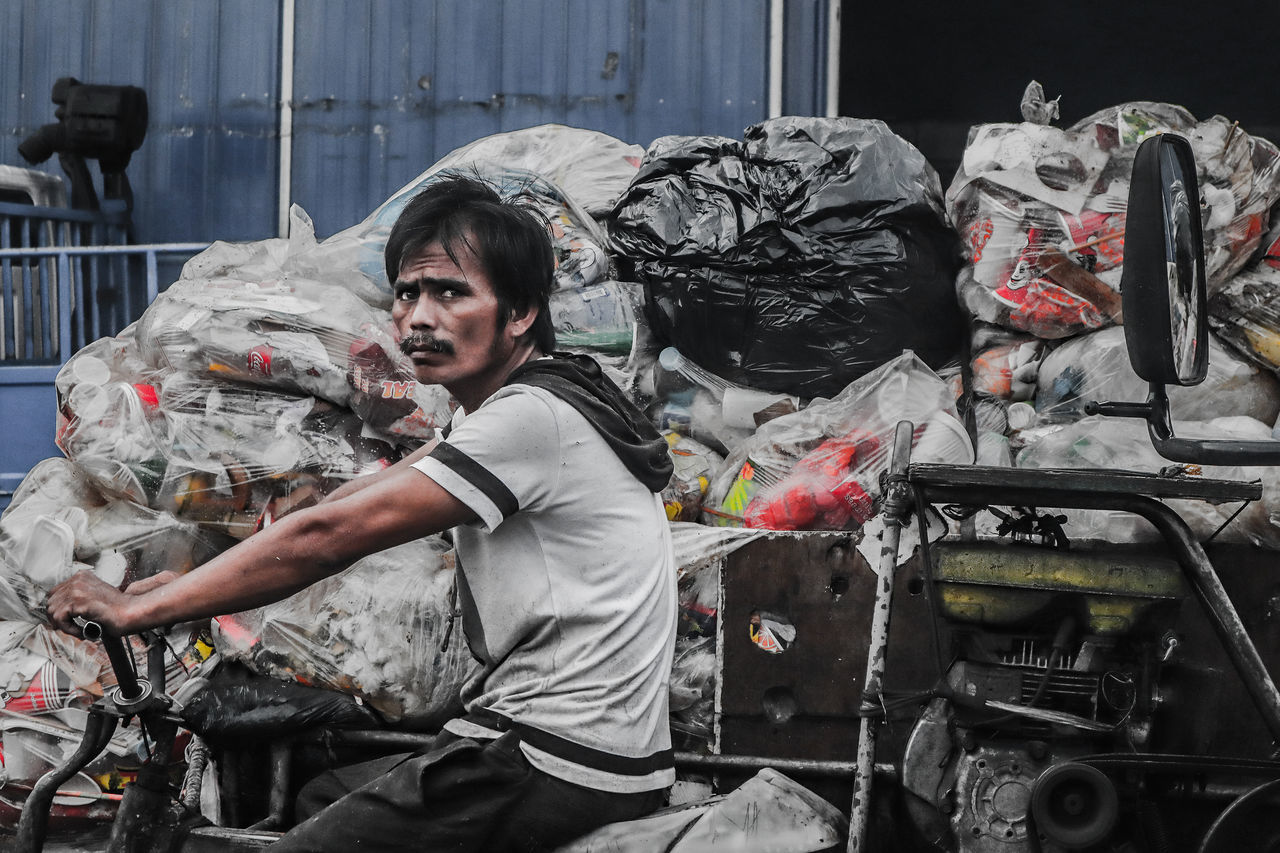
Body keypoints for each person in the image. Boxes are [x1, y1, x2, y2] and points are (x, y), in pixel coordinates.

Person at [48, 175, 678, 852]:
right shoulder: (520, 407)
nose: (418, 317)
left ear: (520, 311)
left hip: (553, 756)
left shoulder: (530, 419)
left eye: (450, 292)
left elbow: (329, 538)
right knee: (320, 792)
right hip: (590, 751)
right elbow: (345, 503)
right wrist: (182, 585)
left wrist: (141, 611)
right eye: (407, 293)